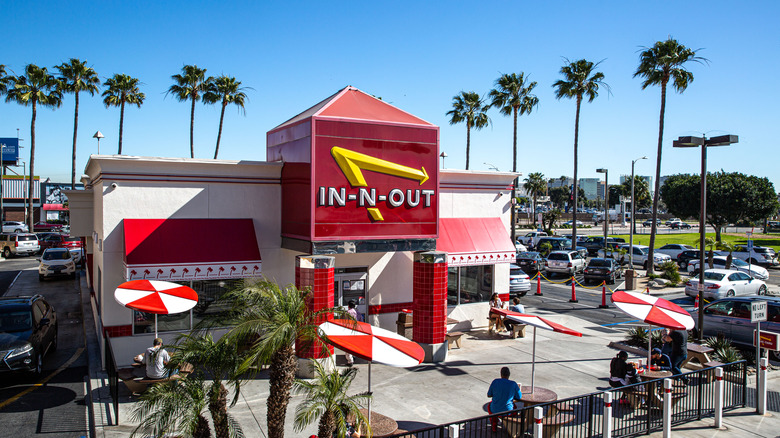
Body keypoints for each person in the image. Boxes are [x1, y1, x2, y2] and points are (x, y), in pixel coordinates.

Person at [487, 367, 522, 432]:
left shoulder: (495, 382)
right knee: (515, 407)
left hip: (495, 410)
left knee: (490, 406)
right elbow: (519, 397)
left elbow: (489, 395)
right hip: (508, 411)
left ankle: (494, 425)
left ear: (501, 374)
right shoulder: (513, 384)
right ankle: (511, 426)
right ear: (509, 374)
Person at [344, 300, 363, 366]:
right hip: (356, 330)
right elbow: (361, 322)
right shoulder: (358, 313)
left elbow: (345, 322)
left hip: (349, 330)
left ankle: (350, 360)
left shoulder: (348, 313)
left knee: (348, 345)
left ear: (348, 306)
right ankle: (354, 355)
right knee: (354, 344)